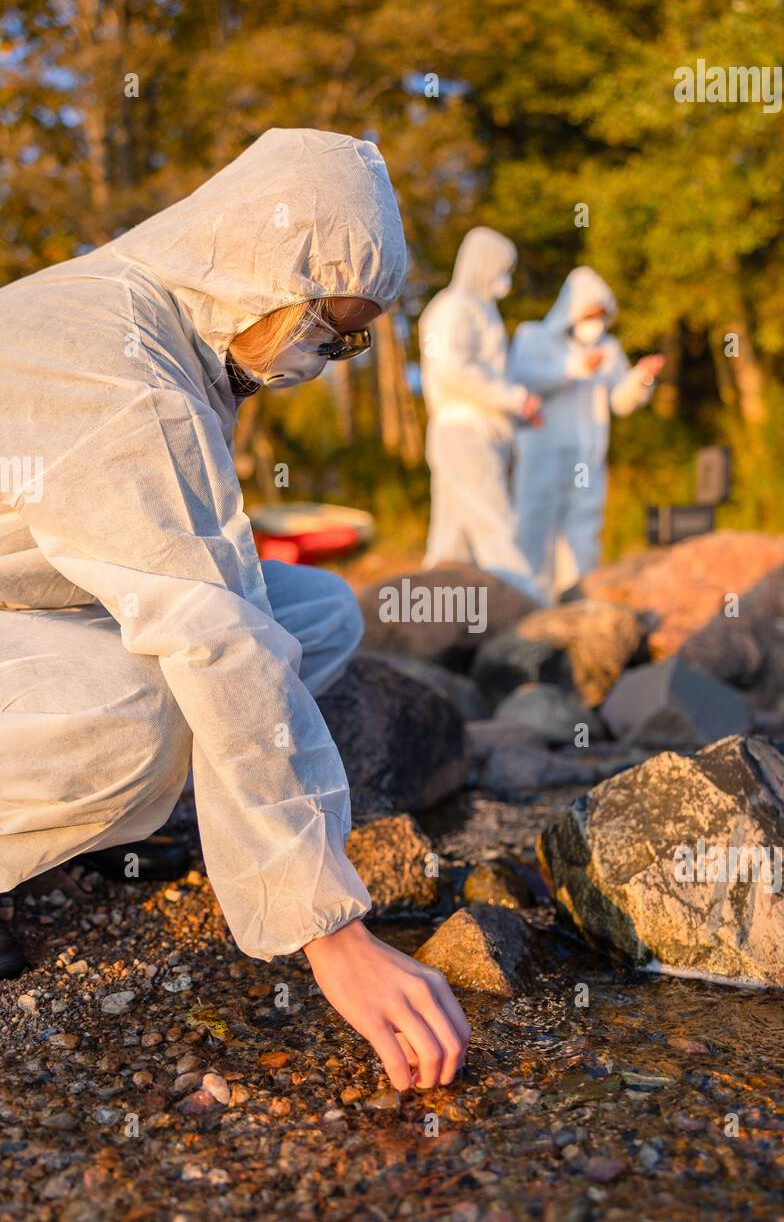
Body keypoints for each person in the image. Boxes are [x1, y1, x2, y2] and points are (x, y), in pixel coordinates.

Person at [0, 128, 469, 1091]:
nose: (331, 355)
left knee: (319, 611)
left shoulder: (170, 325)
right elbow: (210, 631)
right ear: (265, 265)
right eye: (326, 327)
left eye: (352, 341)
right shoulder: (117, 373)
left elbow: (225, 589)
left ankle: (108, 807)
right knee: (146, 714)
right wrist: (332, 929)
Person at [510, 266, 665, 600]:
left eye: (603, 316)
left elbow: (620, 402)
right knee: (535, 527)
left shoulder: (608, 349)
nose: (598, 322)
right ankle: (528, 602)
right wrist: (576, 369)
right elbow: (523, 380)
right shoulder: (533, 337)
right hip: (543, 454)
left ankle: (576, 602)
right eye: (592, 314)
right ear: (574, 310)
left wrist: (641, 379)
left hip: (587, 456)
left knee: (583, 532)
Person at [419, 226, 544, 600]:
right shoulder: (453, 307)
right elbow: (453, 370)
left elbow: (485, 377)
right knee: (496, 523)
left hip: (482, 431)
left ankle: (432, 619)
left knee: (451, 541)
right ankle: (527, 604)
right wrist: (514, 398)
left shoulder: (483, 311)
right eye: (501, 267)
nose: (503, 276)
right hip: (463, 432)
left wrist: (516, 410)